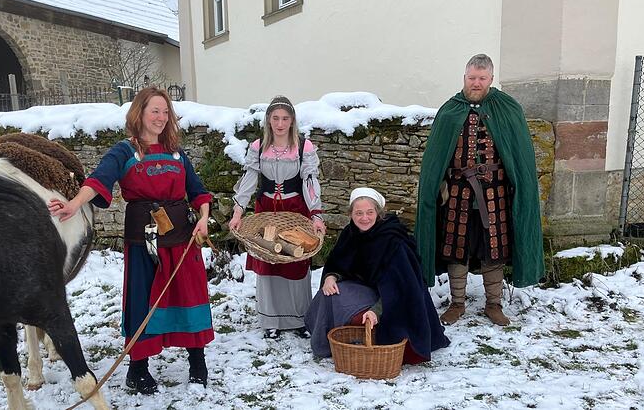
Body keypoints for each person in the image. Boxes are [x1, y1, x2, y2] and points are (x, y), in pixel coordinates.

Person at [48, 86, 213, 394]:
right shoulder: (124, 151)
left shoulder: (177, 152)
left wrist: (203, 217)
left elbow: (198, 191)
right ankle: (137, 370)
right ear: (140, 113)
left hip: (182, 238)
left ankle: (197, 362)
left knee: (189, 295)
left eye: (165, 112)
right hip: (144, 242)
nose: (161, 118)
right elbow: (99, 179)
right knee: (143, 300)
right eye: (155, 111)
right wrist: (73, 204)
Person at [415, 54, 545, 327]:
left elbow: (518, 155)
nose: (476, 83)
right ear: (464, 77)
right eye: (472, 78)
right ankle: (457, 304)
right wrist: (438, 185)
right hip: (457, 195)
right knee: (456, 247)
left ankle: (493, 305)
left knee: (492, 250)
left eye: (482, 78)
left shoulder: (507, 108)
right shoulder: (450, 110)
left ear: (491, 79)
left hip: (494, 194)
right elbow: (435, 158)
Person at [305, 187, 450, 362]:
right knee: (327, 295)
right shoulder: (350, 234)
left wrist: (376, 311)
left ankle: (367, 337)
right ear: (351, 214)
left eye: (369, 212)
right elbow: (338, 263)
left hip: (394, 299)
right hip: (365, 290)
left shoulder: (393, 242)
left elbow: (400, 288)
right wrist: (331, 277)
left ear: (378, 213)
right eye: (358, 213)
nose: (364, 218)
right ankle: (329, 340)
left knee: (349, 307)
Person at [228, 95, 326, 339]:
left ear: (292, 120)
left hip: (295, 210)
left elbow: (310, 182)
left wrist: (316, 215)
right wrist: (238, 211)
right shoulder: (258, 147)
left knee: (296, 260)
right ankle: (270, 320)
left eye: (285, 118)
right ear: (268, 121)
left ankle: (299, 318)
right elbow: (249, 180)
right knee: (269, 260)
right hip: (267, 211)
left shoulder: (304, 147)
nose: (280, 123)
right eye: (275, 118)